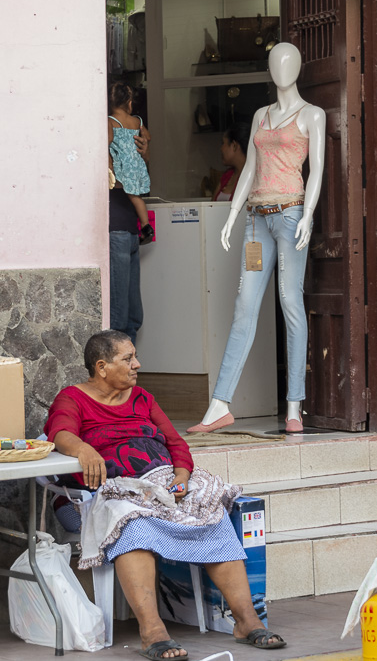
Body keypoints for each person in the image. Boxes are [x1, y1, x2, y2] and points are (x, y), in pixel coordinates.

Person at [44, 331, 286, 660]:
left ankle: (246, 621)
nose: (137, 364)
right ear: (102, 367)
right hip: (108, 491)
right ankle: (152, 631)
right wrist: (83, 449)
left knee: (212, 513)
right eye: (128, 358)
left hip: (163, 485)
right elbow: (60, 432)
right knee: (133, 524)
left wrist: (182, 476)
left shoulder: (142, 398)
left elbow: (175, 443)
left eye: (134, 357)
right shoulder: (72, 398)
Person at [187, 43, 326, 435]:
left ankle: (294, 405)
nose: (281, 68)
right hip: (256, 221)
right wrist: (233, 213)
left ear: (298, 67)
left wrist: (309, 214)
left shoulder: (312, 114)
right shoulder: (261, 116)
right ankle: (219, 405)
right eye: (275, 62)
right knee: (244, 306)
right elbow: (250, 167)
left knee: (290, 302)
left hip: (290, 215)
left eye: (288, 62)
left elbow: (316, 170)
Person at [109, 125, 149, 345]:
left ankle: (128, 364)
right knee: (119, 316)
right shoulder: (105, 144)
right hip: (116, 228)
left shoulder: (129, 139)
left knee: (133, 317)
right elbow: (115, 180)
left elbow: (140, 180)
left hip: (130, 228)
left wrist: (142, 155)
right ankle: (117, 365)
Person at [108, 81, 154, 245]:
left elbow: (108, 140)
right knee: (136, 197)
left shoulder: (110, 121)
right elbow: (147, 137)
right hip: (136, 165)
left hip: (122, 167)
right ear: (129, 102)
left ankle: (146, 226)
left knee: (131, 196)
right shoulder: (137, 121)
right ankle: (146, 225)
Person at [213, 122, 250, 201]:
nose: (221, 149)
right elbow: (211, 205)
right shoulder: (227, 176)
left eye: (223, 143)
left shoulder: (252, 178)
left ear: (234, 146)